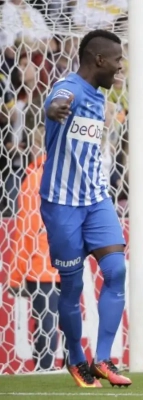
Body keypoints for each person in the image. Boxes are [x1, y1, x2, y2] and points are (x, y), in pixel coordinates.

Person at [40, 29, 131, 388]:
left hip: (95, 199)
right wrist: (53, 109)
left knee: (116, 270)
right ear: (98, 60)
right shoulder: (70, 89)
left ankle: (103, 358)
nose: (120, 67)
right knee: (73, 285)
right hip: (62, 204)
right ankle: (76, 358)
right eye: (117, 60)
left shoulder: (97, 96)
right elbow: (56, 100)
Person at [9, 126, 61, 371]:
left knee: (46, 329)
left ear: (34, 147)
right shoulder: (68, 175)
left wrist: (15, 276)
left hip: (42, 268)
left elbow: (25, 232)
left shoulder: (34, 179)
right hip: (68, 265)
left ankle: (44, 374)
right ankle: (76, 376)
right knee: (69, 328)